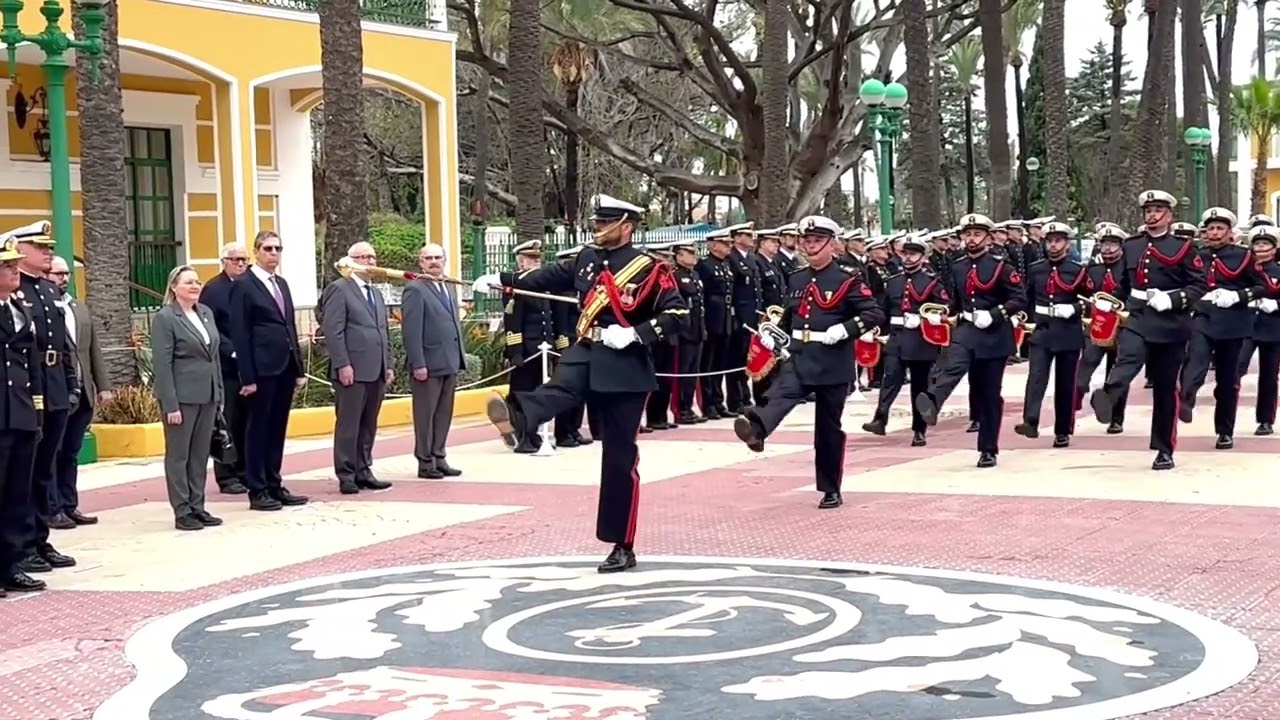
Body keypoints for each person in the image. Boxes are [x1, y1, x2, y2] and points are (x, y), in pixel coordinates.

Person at [472, 194, 688, 573]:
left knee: (619, 460)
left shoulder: (650, 269)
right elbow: (549, 276)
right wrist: (503, 280)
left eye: (606, 223)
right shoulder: (587, 259)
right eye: (597, 222)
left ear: (627, 226)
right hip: (587, 349)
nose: (598, 228)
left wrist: (637, 333)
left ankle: (622, 543)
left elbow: (677, 313)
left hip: (625, 365)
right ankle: (519, 418)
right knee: (561, 386)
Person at [733, 215, 884, 508]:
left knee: (827, 428)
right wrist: (774, 335)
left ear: (832, 244)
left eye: (817, 241)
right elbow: (791, 317)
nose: (810, 246)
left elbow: (874, 314)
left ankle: (830, 488)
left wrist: (845, 329)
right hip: (801, 355)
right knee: (780, 393)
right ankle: (756, 429)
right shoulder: (797, 278)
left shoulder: (848, 279)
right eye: (807, 241)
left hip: (832, 361)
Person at [1088, 190, 1207, 471]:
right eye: (1148, 210)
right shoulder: (1131, 245)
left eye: (1158, 210)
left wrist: (1173, 299)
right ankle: (1108, 394)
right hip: (1139, 316)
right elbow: (1124, 284)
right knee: (1128, 357)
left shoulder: (1184, 248)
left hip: (1171, 323)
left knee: (1165, 389)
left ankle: (1164, 449)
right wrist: (1109, 302)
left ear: (1169, 215)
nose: (1152, 215)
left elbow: (1199, 285)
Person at [914, 213, 1027, 468]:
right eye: (967, 235)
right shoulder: (957, 265)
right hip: (966, 329)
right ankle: (933, 401)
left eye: (976, 234)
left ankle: (988, 449)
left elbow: (1019, 298)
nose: (971, 239)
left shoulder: (1002, 266)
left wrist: (996, 314)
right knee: (952, 364)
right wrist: (940, 313)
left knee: (988, 393)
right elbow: (953, 300)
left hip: (994, 334)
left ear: (988, 238)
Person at [10, 221, 76, 575]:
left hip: (54, 387)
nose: (48, 251)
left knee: (45, 469)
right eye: (41, 246)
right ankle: (23, 543)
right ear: (19, 250)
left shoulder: (48, 292)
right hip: (28, 390)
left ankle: (39, 537)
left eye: (49, 246)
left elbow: (62, 345)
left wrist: (69, 384)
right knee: (28, 470)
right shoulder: (17, 293)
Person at [229, 230, 308, 510]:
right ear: (256, 252)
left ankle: (275, 483)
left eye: (278, 249)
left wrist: (298, 367)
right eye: (268, 249)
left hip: (284, 367)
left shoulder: (282, 284)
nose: (273, 254)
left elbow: (290, 327)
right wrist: (247, 377)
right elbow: (240, 332)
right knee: (258, 429)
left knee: (277, 428)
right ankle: (258, 488)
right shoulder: (243, 284)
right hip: (261, 370)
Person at [1177, 207, 1261, 450]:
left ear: (1229, 232)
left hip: (1233, 322)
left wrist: (1238, 296)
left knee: (1227, 380)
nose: (1214, 233)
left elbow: (1261, 286)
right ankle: (1187, 399)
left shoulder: (1244, 256)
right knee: (1196, 359)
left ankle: (1225, 430)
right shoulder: (1196, 256)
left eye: (1219, 228)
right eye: (1210, 228)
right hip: (1202, 316)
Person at [151, 266, 225, 531]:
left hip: (207, 395)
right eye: (189, 282)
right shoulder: (166, 318)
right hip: (181, 398)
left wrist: (219, 394)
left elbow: (213, 357)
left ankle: (198, 505)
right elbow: (162, 364)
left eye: (197, 282)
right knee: (179, 455)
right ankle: (182, 510)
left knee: (199, 455)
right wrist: (170, 403)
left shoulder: (205, 313)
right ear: (174, 287)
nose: (195, 286)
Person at [320, 242, 394, 493]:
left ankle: (364, 469)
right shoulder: (339, 289)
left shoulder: (376, 293)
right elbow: (333, 330)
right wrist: (343, 364)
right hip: (352, 369)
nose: (369, 262)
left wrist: (389, 364)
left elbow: (384, 332)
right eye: (363, 257)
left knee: (369, 423)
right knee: (349, 424)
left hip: (376, 369)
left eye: (372, 257)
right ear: (349, 261)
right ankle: (347, 473)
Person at [862, 234, 949, 446]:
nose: (908, 258)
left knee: (919, 387)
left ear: (923, 256)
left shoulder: (931, 282)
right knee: (890, 379)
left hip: (921, 340)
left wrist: (926, 317)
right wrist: (873, 329)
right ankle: (880, 418)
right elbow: (882, 310)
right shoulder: (893, 281)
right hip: (897, 337)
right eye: (906, 254)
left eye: (913, 254)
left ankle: (919, 430)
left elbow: (945, 308)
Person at [1016, 222, 1092, 448]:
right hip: (1043, 330)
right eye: (1049, 241)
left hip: (1067, 331)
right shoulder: (1037, 268)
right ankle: (1030, 421)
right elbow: (1026, 297)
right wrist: (1022, 317)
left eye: (1058, 240)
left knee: (1065, 383)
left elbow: (1091, 302)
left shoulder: (1077, 270)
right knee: (1036, 376)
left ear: (1067, 243)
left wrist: (1075, 309)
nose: (1053, 245)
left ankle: (1062, 430)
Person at [49, 257, 111, 528]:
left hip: (83, 391)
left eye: (66, 274)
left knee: (70, 453)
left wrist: (104, 386)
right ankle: (52, 508)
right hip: (58, 393)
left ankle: (69, 504)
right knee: (52, 452)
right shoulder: (42, 309)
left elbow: (93, 350)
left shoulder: (79, 308)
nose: (63, 278)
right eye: (58, 274)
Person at [0, 236, 45, 593]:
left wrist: (37, 409)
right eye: (7, 266)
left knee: (18, 493)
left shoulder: (19, 309)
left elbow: (30, 365)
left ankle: (11, 564)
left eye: (16, 265)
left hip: (20, 413)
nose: (15, 271)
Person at [402, 242, 466, 478]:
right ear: (420, 262)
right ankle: (425, 461)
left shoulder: (447, 286)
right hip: (427, 364)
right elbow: (411, 330)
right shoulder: (415, 289)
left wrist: (459, 355)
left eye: (438, 257)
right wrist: (418, 363)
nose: (433, 262)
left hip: (449, 360)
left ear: (444, 260)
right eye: (428, 258)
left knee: (443, 413)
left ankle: (439, 456)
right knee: (425, 414)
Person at [199, 242, 251, 495]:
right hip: (228, 366)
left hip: (250, 367)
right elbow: (213, 328)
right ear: (224, 262)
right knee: (229, 421)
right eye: (235, 259)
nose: (240, 264)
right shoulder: (213, 289)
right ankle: (227, 475)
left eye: (244, 260)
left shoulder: (250, 286)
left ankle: (245, 470)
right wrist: (233, 350)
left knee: (247, 422)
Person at [1073, 225, 1130, 434]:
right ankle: (1077, 398)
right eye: (1104, 244)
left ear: (1121, 246)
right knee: (1084, 368)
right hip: (1096, 326)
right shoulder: (1092, 270)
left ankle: (1116, 417)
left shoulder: (1127, 270)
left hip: (1121, 327)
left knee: (1115, 372)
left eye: (1112, 244)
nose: (1107, 249)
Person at [551, 244, 593, 447]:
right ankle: (563, 432)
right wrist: (562, 347)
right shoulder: (562, 290)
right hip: (568, 343)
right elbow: (559, 322)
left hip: (582, 341)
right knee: (567, 390)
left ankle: (574, 428)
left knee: (581, 391)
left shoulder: (583, 288)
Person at [696, 230, 734, 419]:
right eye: (724, 243)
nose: (729, 247)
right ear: (713, 245)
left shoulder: (725, 265)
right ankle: (708, 402)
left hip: (725, 318)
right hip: (712, 318)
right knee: (708, 364)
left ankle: (718, 401)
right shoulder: (705, 266)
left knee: (720, 363)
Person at [1246, 225, 1280, 435]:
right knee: (1235, 368)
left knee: (1268, 375)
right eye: (1257, 244)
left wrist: (1276, 305)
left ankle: (1265, 420)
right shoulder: (1244, 269)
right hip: (1245, 325)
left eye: (1265, 244)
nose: (1261, 248)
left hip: (1273, 327)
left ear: (1274, 248)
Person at [726, 222, 763, 413]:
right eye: (747, 235)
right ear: (737, 237)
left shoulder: (750, 258)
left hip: (752, 316)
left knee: (747, 358)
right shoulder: (732, 259)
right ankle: (735, 399)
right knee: (737, 360)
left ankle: (744, 396)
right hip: (739, 317)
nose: (751, 238)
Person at [672, 240, 706, 425]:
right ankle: (680, 409)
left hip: (697, 329)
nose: (694, 256)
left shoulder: (695, 275)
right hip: (684, 331)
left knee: (693, 372)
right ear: (678, 255)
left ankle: (688, 406)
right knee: (682, 372)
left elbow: (700, 304)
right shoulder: (675, 276)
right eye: (689, 252)